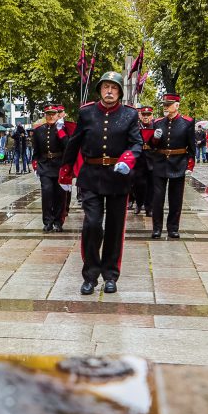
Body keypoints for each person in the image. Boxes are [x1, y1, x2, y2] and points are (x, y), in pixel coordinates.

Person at [60, 71, 142, 295]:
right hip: (91, 176)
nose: (109, 91)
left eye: (114, 88)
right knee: (93, 224)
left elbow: (137, 143)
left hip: (118, 177)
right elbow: (75, 142)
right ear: (100, 90)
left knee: (115, 228)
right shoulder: (87, 113)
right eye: (106, 87)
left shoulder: (129, 115)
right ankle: (90, 275)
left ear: (119, 92)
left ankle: (110, 275)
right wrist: (66, 170)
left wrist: (128, 159)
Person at [149, 93, 195, 239]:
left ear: (177, 105)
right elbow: (152, 145)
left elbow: (192, 147)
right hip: (160, 162)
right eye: (164, 104)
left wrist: (190, 166)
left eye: (169, 104)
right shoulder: (157, 122)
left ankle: (173, 228)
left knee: (176, 199)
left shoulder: (187, 122)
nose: (166, 107)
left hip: (178, 163)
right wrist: (155, 138)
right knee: (157, 199)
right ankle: (156, 228)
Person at [32, 104, 67, 232]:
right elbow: (36, 151)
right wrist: (35, 165)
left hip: (59, 165)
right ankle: (47, 221)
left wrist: (61, 131)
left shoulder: (62, 129)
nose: (51, 116)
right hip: (45, 165)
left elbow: (67, 146)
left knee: (59, 195)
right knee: (46, 193)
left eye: (53, 114)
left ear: (58, 115)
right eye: (48, 114)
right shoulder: (38, 130)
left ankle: (58, 221)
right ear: (45, 115)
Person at [132, 105, 154, 216]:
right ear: (140, 115)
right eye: (144, 114)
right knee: (138, 184)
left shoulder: (156, 126)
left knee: (151, 184)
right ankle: (139, 203)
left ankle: (149, 207)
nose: (146, 117)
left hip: (152, 159)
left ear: (152, 115)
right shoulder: (136, 126)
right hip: (139, 160)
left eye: (148, 115)